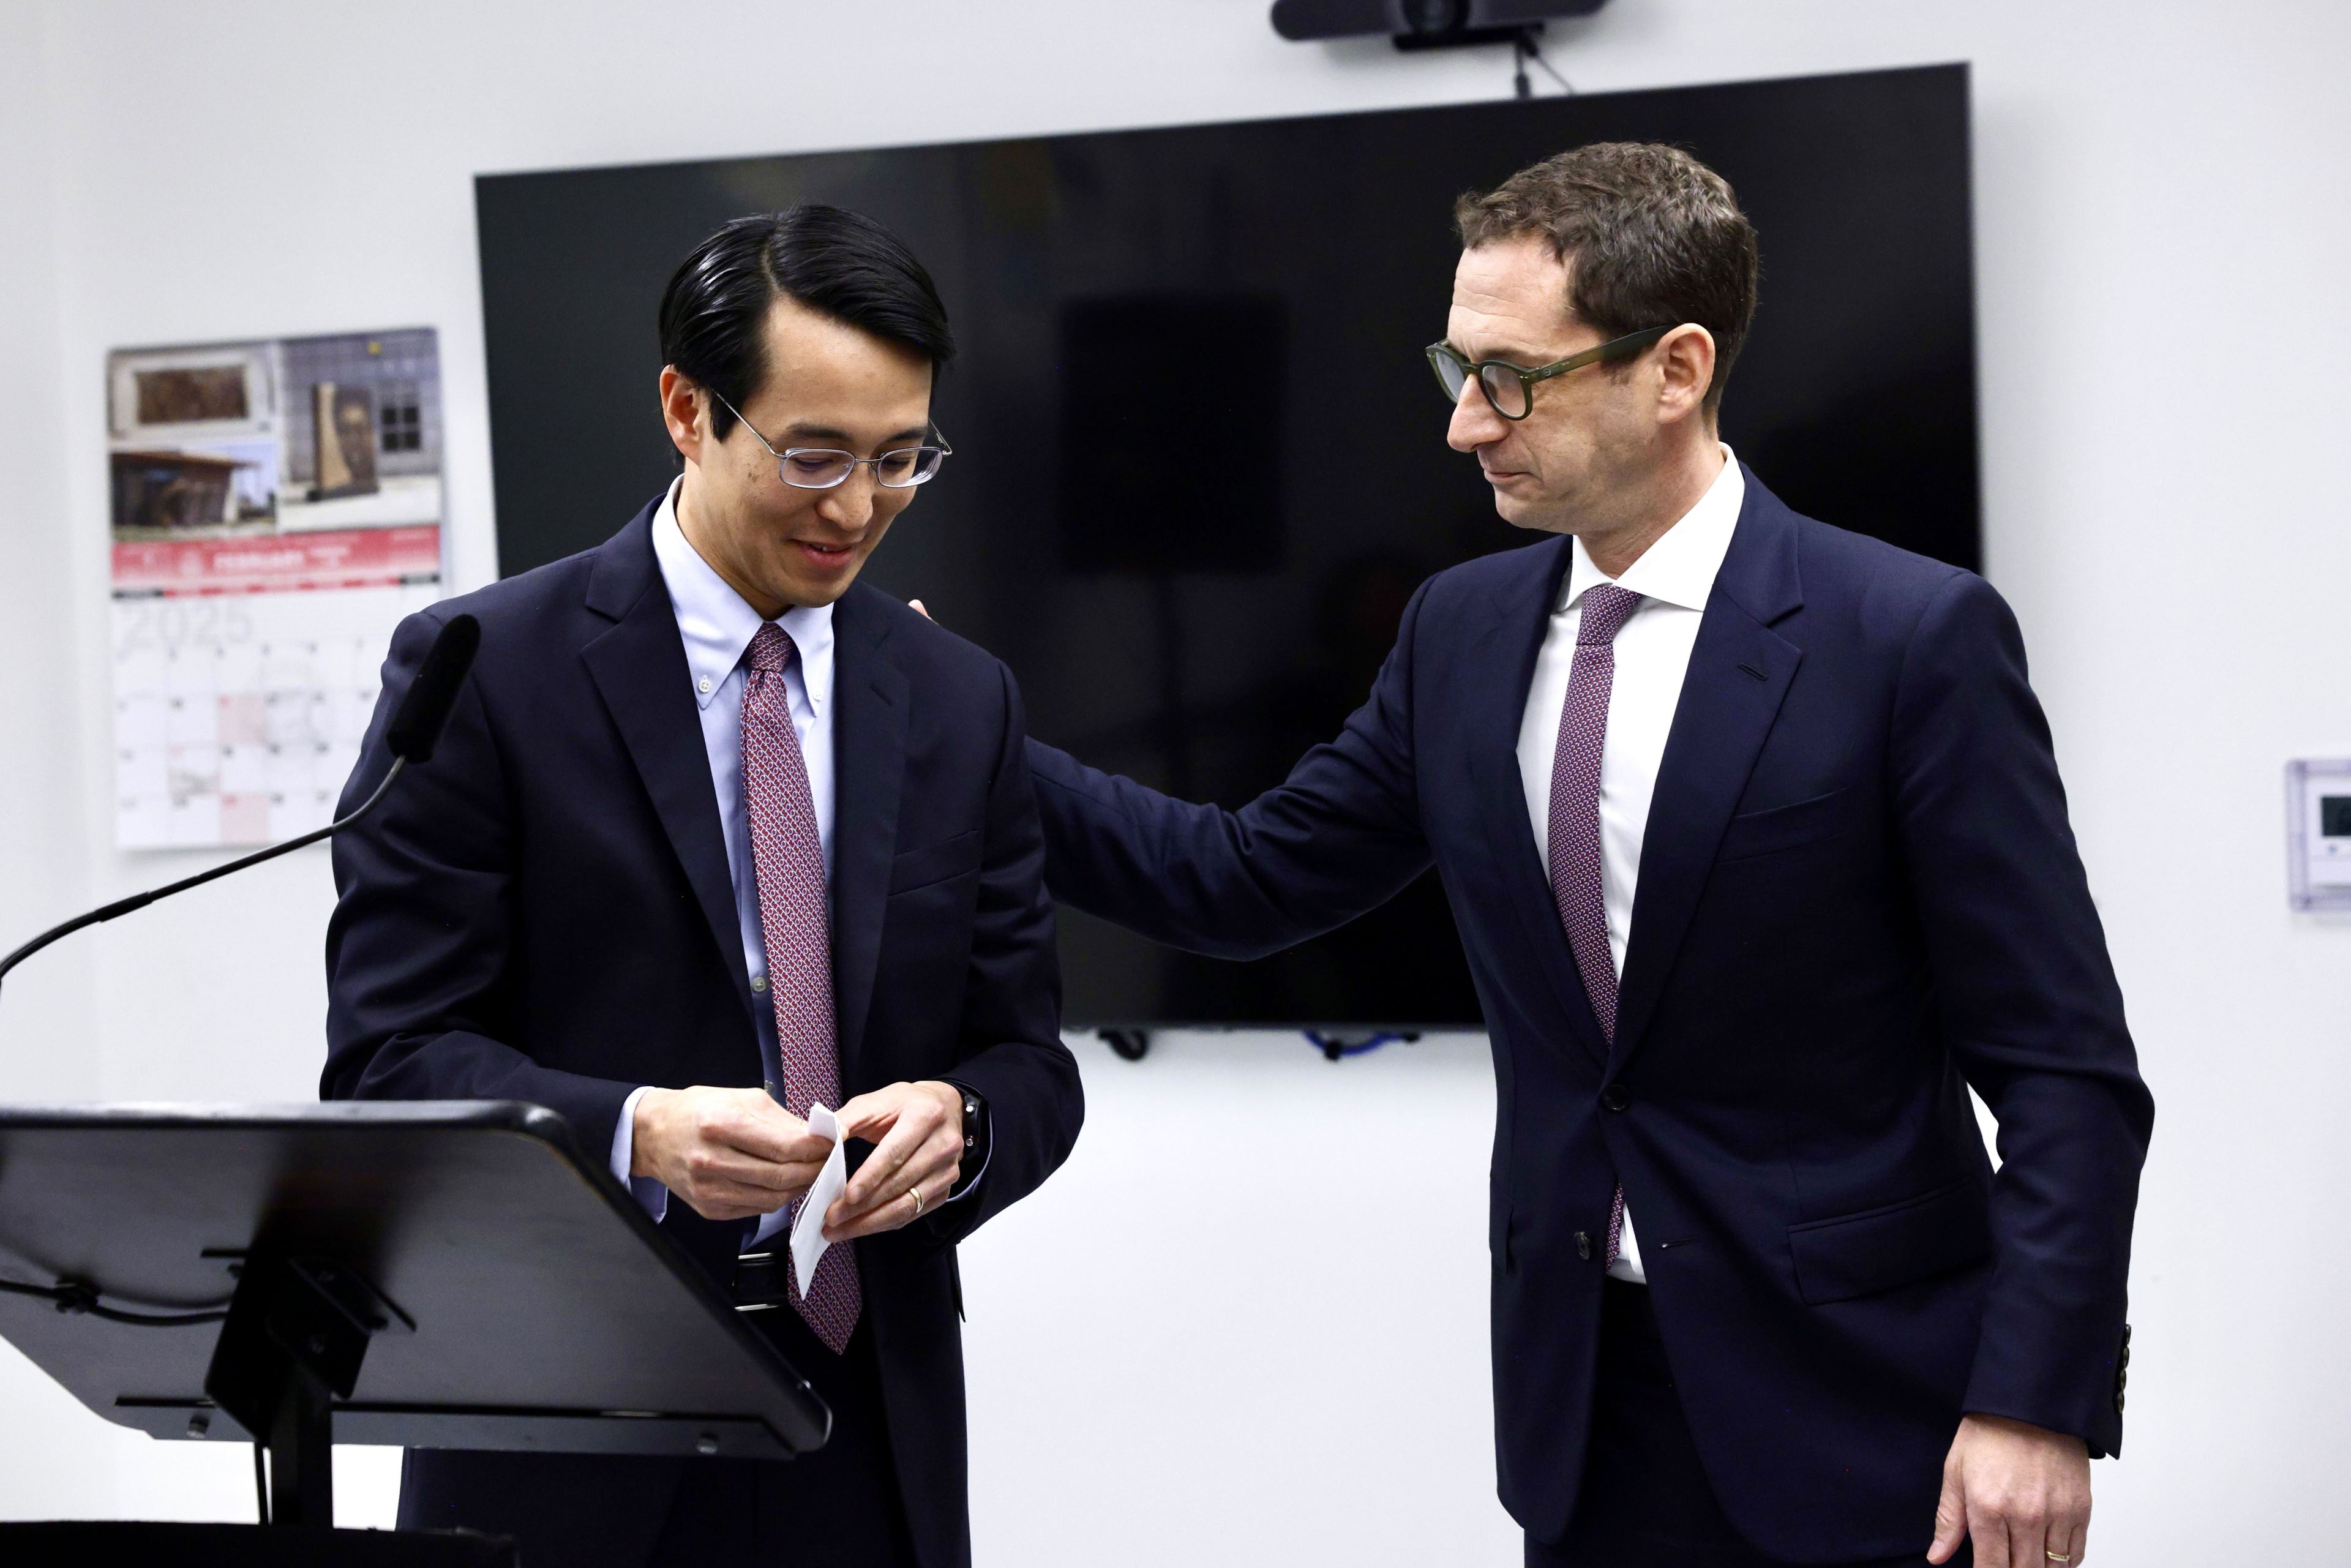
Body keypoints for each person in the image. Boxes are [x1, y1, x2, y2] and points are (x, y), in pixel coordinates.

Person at [1019, 144, 2151, 1567]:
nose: (1464, 426)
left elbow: (2064, 1074)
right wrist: (970, 741)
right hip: (1585, 1408)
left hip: (1877, 1414)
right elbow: (1243, 883)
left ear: (1674, 369)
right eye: (1458, 369)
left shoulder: (1909, 639)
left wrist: (2035, 1406)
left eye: (1511, 377)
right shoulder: (1457, 634)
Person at [323, 205, 1081, 1568]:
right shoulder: (483, 672)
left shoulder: (963, 699)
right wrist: (639, 1133)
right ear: (687, 408)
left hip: (868, 1425)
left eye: (902, 459)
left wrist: (961, 1123)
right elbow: (389, 1064)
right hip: (566, 1421)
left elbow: (1032, 1057)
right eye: (813, 455)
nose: (857, 508)